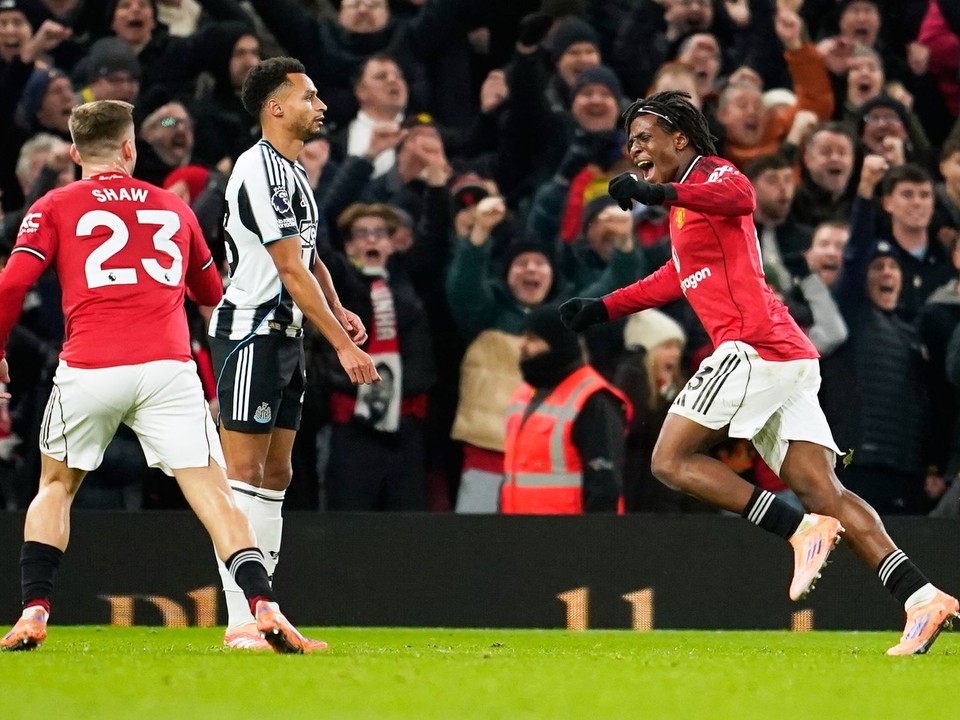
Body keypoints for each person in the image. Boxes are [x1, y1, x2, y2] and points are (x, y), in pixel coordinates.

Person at [559, 89, 959, 655]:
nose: (635, 148)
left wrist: (655, 190)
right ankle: (923, 598)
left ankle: (798, 531)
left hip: (754, 348)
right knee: (825, 490)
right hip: (786, 356)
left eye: (645, 136)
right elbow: (678, 276)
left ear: (681, 137)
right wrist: (603, 307)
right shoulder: (686, 208)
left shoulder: (716, 175)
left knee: (670, 461)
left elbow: (741, 196)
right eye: (629, 143)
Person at [0, 100, 311, 653]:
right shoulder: (172, 207)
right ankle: (262, 605)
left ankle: (32, 611)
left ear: (74, 153)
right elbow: (214, 298)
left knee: (55, 486)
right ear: (129, 148)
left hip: (89, 367)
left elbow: (9, 285)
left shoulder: (53, 205)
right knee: (214, 494)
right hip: (168, 369)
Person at [206, 57, 378, 651]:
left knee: (277, 474)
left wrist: (339, 305)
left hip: (285, 335)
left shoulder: (294, 173)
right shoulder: (257, 168)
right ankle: (240, 618)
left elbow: (308, 257)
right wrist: (340, 344)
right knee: (243, 474)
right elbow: (284, 266)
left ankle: (265, 609)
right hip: (251, 330)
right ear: (274, 107)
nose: (321, 106)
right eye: (309, 96)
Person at [501, 304, 628, 514]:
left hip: (569, 539)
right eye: (522, 336)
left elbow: (604, 488)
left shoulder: (594, 400)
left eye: (533, 338)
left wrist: (598, 542)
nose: (522, 345)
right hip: (521, 535)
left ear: (557, 343)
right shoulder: (523, 396)